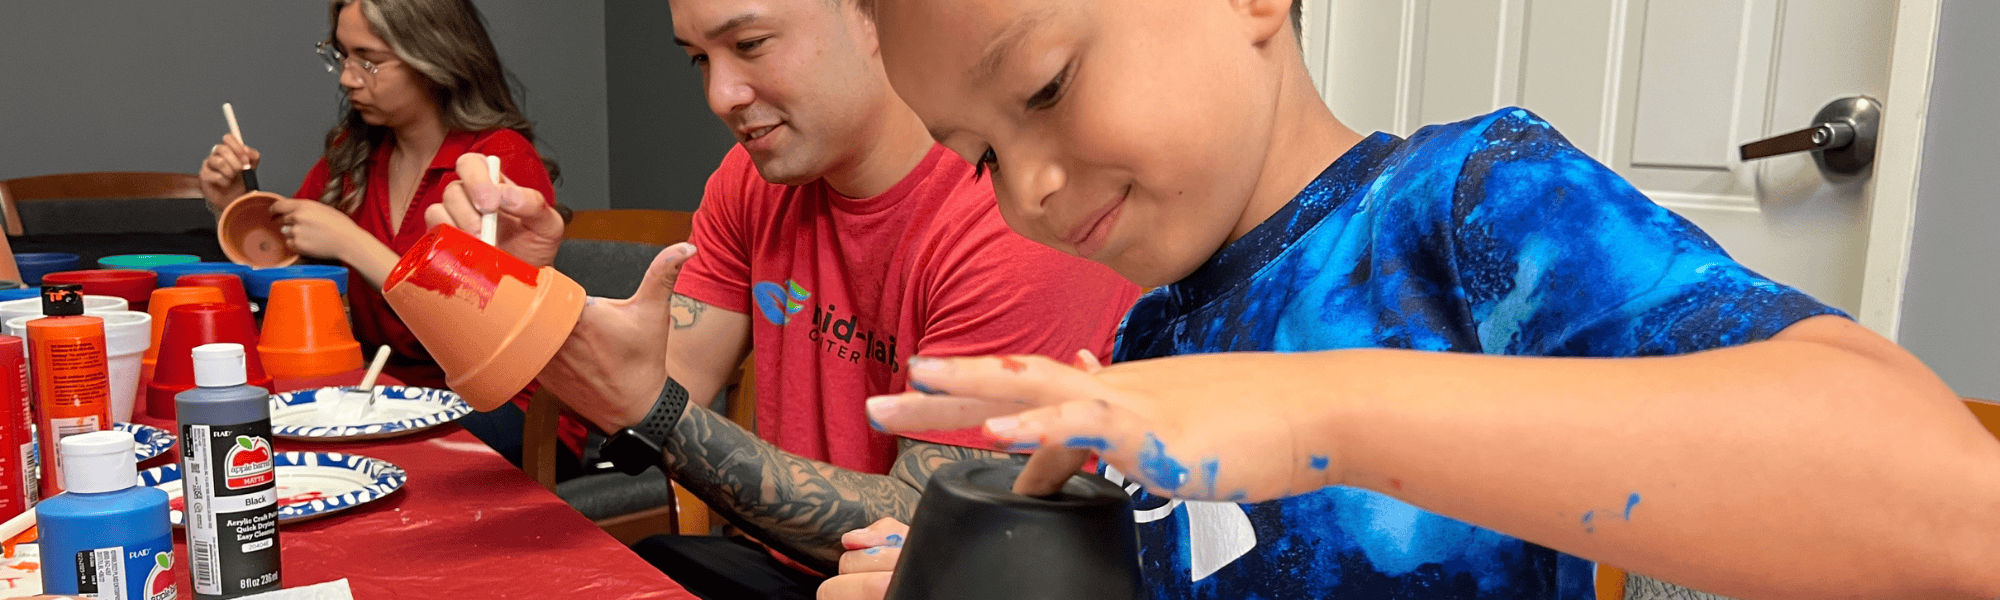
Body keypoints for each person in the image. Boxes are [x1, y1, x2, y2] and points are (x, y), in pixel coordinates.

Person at [825, 0, 2000, 598]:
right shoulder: (1154, 337)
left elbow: (1954, 509)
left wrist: (1311, 418)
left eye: (1043, 85)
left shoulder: (1466, 208)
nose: (1021, 190)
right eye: (972, 154)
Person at [423, 0, 1141, 597]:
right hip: (779, 566)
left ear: (876, 21)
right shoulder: (750, 181)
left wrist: (655, 412)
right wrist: (529, 295)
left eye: (752, 44)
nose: (720, 95)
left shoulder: (1009, 213)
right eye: (700, 58)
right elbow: (657, 380)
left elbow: (934, 523)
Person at [196, 0, 585, 477]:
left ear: (433, 58)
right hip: (386, 394)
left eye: (369, 60)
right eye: (341, 55)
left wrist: (349, 242)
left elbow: (482, 330)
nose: (347, 78)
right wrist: (236, 204)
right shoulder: (355, 153)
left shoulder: (498, 162)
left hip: (506, 411)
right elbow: (288, 277)